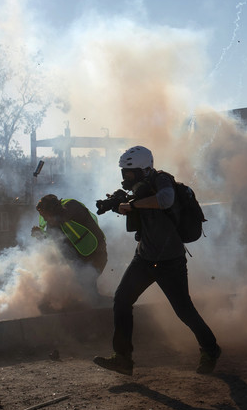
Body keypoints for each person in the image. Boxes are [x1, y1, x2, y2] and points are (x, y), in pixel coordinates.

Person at [93, 145, 222, 376]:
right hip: (143, 259)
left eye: (130, 173)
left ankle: (211, 350)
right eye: (124, 173)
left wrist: (132, 205)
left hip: (169, 262)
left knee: (184, 311)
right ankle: (123, 358)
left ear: (144, 169)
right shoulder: (138, 189)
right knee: (121, 301)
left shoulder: (162, 180)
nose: (126, 177)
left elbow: (165, 200)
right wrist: (117, 204)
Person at [33, 194, 108, 277]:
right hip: (79, 259)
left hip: (96, 252)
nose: (45, 219)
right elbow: (51, 244)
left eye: (45, 215)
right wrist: (40, 236)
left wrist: (53, 219)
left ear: (52, 209)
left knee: (86, 282)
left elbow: (63, 216)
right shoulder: (52, 223)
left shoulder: (72, 206)